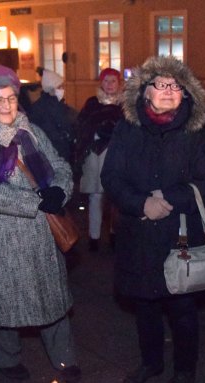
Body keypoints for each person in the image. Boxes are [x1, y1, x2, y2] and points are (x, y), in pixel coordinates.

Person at [101, 56, 205, 383]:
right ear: (144, 91)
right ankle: (150, 362)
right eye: (161, 84)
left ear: (185, 93)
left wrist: (166, 198)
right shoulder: (127, 128)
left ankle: (184, 370)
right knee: (145, 305)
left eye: (175, 86)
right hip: (138, 234)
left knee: (182, 308)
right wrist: (141, 204)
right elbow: (111, 176)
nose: (168, 91)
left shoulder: (194, 131)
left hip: (178, 234)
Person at [0, 65, 81, 383]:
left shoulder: (32, 133)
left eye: (10, 98)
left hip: (41, 234)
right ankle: (5, 359)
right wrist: (37, 202)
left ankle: (64, 357)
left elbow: (61, 167)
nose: (5, 105)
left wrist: (59, 191)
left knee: (51, 295)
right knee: (3, 298)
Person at [76, 68, 124, 251]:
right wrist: (94, 134)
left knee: (115, 198)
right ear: (101, 83)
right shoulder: (92, 103)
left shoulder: (124, 105)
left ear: (119, 83)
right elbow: (82, 125)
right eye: (106, 81)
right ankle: (93, 237)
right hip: (94, 155)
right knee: (95, 197)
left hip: (114, 156)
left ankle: (114, 235)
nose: (110, 85)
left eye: (113, 81)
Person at [28, 68, 77, 164]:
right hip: (55, 153)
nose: (63, 89)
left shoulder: (43, 103)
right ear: (52, 89)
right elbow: (62, 127)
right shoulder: (51, 106)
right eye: (60, 87)